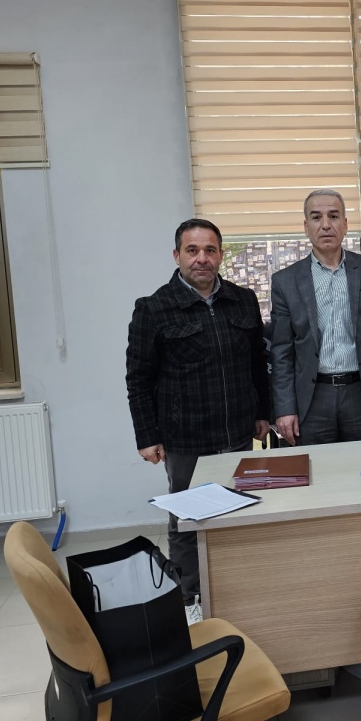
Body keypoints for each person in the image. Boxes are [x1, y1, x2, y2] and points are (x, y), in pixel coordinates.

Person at [126, 218, 270, 604]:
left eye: (209, 250)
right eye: (192, 250)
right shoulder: (154, 308)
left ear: (220, 255)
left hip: (237, 432)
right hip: (185, 439)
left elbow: (258, 363)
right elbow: (138, 379)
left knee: (237, 514)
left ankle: (236, 592)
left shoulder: (243, 300)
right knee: (187, 520)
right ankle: (191, 598)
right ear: (177, 255)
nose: (201, 258)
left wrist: (263, 412)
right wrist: (147, 436)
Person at [270, 189, 361, 445]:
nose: (326, 225)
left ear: (345, 224)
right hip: (312, 397)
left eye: (334, 216)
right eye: (316, 217)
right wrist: (284, 408)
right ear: (306, 227)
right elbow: (282, 351)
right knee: (317, 468)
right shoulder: (285, 281)